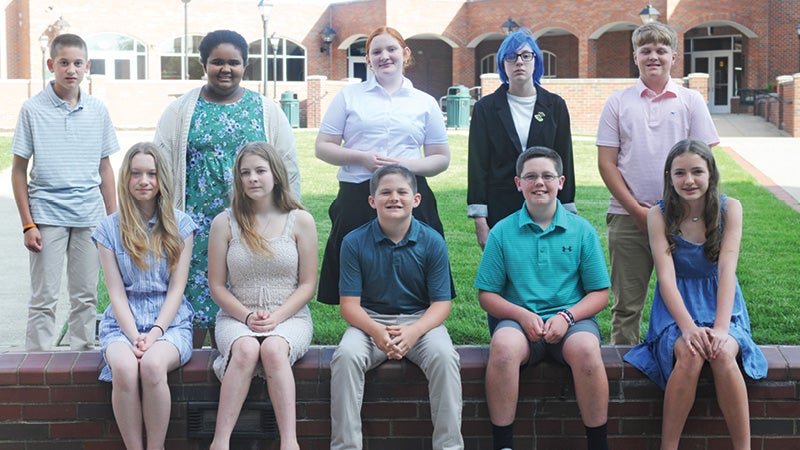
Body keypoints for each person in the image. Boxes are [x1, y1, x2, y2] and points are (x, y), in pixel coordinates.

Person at [154, 29, 300, 347]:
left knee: (239, 321)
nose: (225, 69)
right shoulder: (180, 111)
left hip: (249, 229)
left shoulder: (267, 111)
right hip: (194, 230)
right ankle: (188, 386)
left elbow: (287, 168)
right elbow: (160, 167)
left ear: (244, 66)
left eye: (233, 62)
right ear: (203, 64)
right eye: (217, 62)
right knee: (188, 318)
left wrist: (286, 222)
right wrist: (162, 222)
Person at [624, 140, 767, 450]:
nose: (689, 180)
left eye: (697, 171)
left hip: (722, 307)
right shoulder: (658, 215)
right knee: (689, 354)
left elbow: (727, 271)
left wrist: (720, 329)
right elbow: (666, 279)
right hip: (676, 310)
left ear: (711, 173)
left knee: (722, 352)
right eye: (680, 173)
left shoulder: (731, 209)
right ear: (669, 177)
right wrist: (688, 328)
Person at [475, 147, 611, 450]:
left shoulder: (581, 231)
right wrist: (522, 315)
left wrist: (567, 317)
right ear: (518, 183)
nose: (540, 182)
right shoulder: (501, 232)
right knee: (503, 350)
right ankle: (504, 444)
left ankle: (598, 444)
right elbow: (487, 295)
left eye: (547, 176)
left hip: (571, 323)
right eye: (531, 176)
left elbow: (600, 293)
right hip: (518, 322)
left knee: (588, 350)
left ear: (561, 182)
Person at [597, 21, 720, 345]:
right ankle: (625, 379)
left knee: (688, 302)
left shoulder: (690, 101)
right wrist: (637, 210)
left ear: (674, 57)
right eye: (646, 50)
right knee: (626, 307)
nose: (653, 56)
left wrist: (689, 210)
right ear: (635, 56)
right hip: (627, 217)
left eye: (661, 50)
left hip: (684, 218)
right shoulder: (618, 102)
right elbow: (606, 163)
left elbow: (706, 162)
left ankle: (681, 359)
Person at [315, 26, 452, 305]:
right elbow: (323, 147)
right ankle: (361, 328)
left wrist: (407, 165)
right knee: (355, 265)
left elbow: (441, 157)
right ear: (368, 59)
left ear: (405, 53)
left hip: (409, 192)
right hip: (357, 193)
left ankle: (418, 324)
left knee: (418, 261)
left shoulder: (424, 102)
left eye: (391, 49)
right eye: (376, 52)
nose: (384, 56)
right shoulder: (348, 97)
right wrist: (360, 157)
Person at [330, 164, 464, 450]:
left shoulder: (432, 241)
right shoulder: (353, 242)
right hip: (369, 322)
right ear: (372, 201)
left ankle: (449, 446)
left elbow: (441, 304)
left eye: (402, 192)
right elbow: (349, 306)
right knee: (346, 356)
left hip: (420, 322)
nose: (394, 198)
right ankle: (346, 446)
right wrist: (377, 332)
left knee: (444, 357)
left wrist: (414, 332)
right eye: (386, 192)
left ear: (416, 200)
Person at [11, 33, 119, 352]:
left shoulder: (98, 110)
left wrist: (112, 219)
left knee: (85, 295)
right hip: (47, 215)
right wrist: (28, 223)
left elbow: (105, 169)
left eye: (77, 63)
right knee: (44, 297)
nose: (71, 69)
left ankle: (82, 360)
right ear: (51, 65)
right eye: (63, 63)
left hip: (88, 216)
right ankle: (37, 364)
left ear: (87, 66)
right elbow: (18, 171)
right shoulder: (32, 110)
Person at [207, 142, 317, 450]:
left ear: (276, 175)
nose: (253, 178)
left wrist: (277, 318)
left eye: (260, 171)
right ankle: (220, 442)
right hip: (236, 316)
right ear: (238, 180)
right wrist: (245, 316)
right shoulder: (224, 223)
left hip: (290, 317)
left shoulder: (300, 221)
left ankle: (289, 442)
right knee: (244, 350)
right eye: (245, 173)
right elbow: (216, 286)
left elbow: (308, 285)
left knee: (271, 350)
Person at [94, 142, 197, 449]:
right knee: (124, 369)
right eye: (136, 173)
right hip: (121, 324)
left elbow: (177, 288)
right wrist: (134, 335)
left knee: (152, 366)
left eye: (151, 174)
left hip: (170, 323)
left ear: (161, 178)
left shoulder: (181, 225)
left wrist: (153, 334)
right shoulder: (108, 229)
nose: (144, 181)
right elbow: (115, 292)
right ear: (126, 178)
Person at [468, 28, 576, 249]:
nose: (519, 62)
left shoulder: (555, 106)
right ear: (502, 64)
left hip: (546, 203)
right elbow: (477, 164)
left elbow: (565, 159)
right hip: (501, 206)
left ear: (536, 61)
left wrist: (567, 209)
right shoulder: (485, 108)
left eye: (526, 55)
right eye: (511, 56)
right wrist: (480, 219)